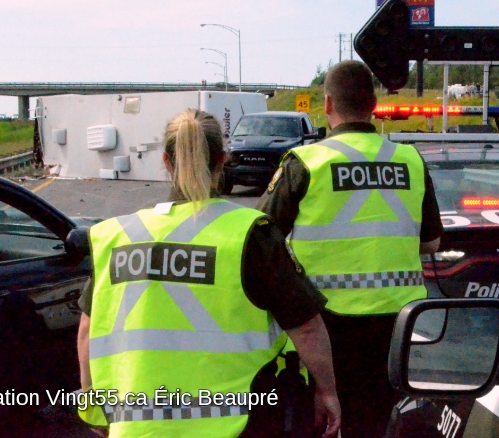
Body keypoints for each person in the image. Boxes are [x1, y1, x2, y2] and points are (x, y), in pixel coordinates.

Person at [76, 109, 341, 438]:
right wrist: (327, 391)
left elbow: (88, 331)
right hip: (237, 425)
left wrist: (93, 406)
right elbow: (307, 328)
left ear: (165, 161)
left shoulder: (118, 237)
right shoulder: (247, 234)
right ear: (222, 161)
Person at [257, 60, 443, 438]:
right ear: (373, 105)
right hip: (397, 326)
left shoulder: (307, 162)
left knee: (324, 423)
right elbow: (432, 242)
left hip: (325, 328)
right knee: (378, 425)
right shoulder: (409, 159)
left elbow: (260, 238)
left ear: (327, 105)